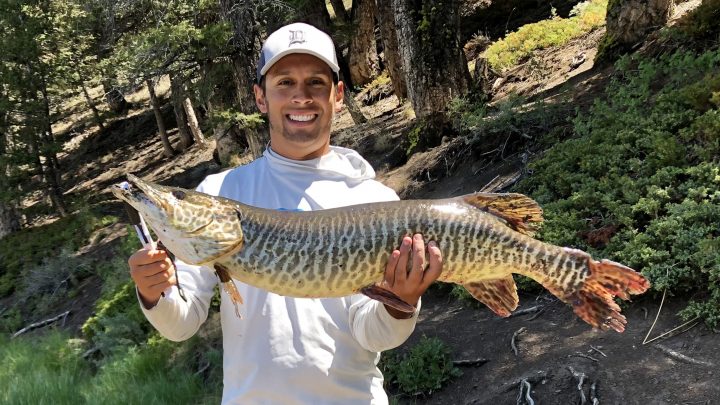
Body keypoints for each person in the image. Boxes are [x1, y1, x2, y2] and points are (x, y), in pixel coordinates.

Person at [127, 22, 443, 404]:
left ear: (338, 95)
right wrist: (152, 291)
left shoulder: (375, 202)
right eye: (284, 83)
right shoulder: (220, 193)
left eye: (315, 83)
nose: (301, 97)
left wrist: (402, 302)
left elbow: (373, 334)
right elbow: (181, 324)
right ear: (261, 98)